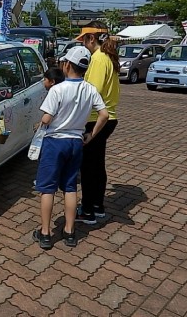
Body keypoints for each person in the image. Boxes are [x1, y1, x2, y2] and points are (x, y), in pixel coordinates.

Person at [33, 46, 109, 249]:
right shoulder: (90, 89)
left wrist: (42, 122)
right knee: (69, 187)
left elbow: (47, 118)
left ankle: (46, 232)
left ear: (66, 65)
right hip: (76, 142)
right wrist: (90, 136)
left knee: (47, 188)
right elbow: (104, 115)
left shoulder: (57, 89)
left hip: (54, 142)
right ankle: (69, 231)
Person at [74, 21, 120, 225]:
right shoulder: (107, 57)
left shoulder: (99, 59)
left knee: (89, 168)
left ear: (91, 38)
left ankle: (87, 211)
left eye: (83, 40)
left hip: (97, 120)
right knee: (97, 165)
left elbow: (92, 92)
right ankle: (97, 206)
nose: (83, 44)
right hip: (106, 118)